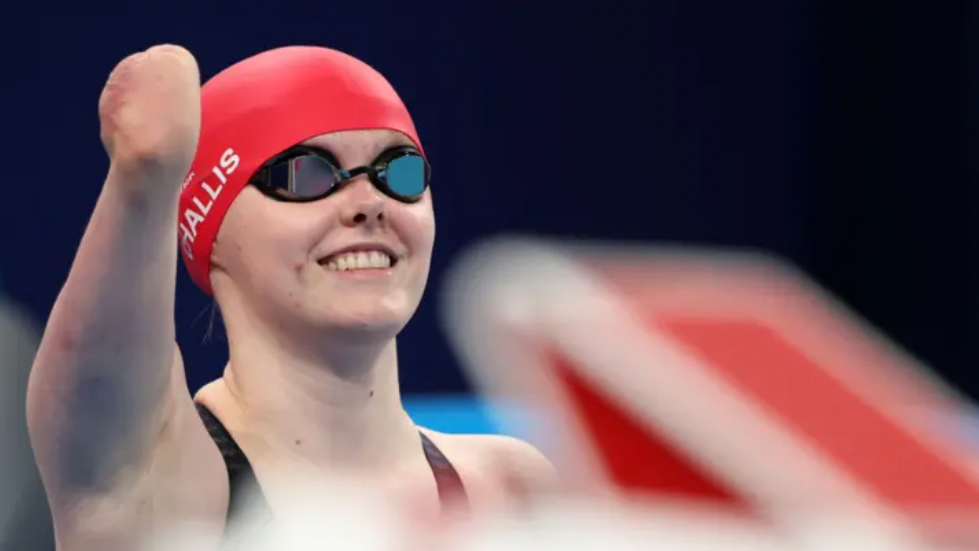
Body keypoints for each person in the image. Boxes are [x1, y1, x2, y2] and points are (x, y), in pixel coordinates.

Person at [26, 44, 556, 551]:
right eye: (307, 175)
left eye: (400, 171)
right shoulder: (163, 488)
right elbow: (95, 387)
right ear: (209, 230)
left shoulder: (512, 490)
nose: (370, 203)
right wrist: (143, 183)